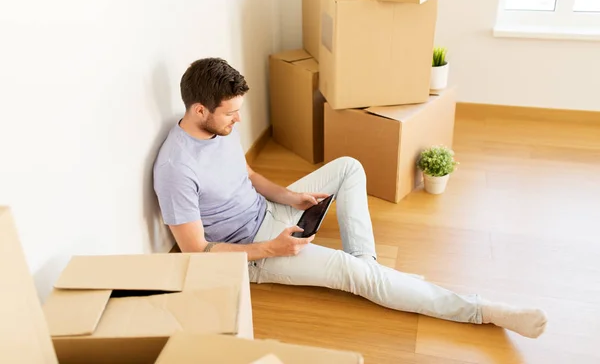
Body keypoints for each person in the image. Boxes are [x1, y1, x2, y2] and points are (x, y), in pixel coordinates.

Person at [153, 58, 547, 339]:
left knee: (348, 166)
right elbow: (197, 253)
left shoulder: (218, 127)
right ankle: (480, 310)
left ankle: (369, 267)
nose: (238, 120)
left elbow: (249, 174)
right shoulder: (175, 168)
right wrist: (272, 248)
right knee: (354, 274)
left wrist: (291, 195)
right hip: (252, 252)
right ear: (200, 109)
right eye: (230, 114)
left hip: (270, 212)